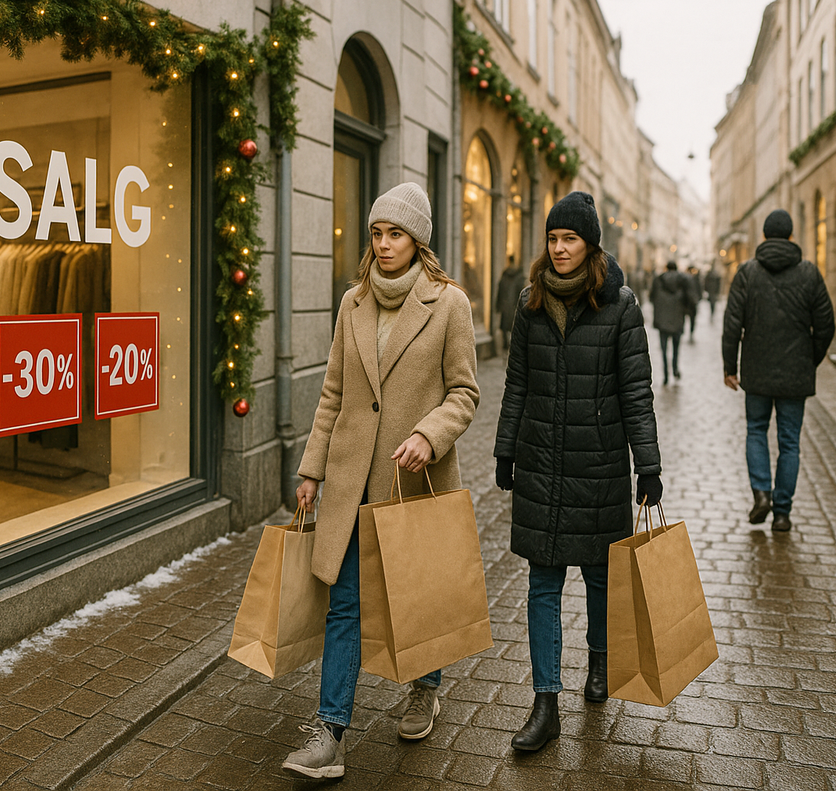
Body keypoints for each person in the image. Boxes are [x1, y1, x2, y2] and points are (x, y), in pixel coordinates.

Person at [284, 182, 480, 778]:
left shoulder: (449, 304)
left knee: (417, 594)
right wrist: (312, 469)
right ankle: (330, 732)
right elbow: (334, 393)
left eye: (396, 233)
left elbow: (464, 392)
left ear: (418, 240)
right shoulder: (353, 302)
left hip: (410, 479)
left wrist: (429, 434)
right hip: (351, 481)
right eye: (377, 233)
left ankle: (425, 687)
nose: (385, 243)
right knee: (344, 602)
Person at [494, 191, 662, 753]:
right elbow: (517, 383)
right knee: (542, 583)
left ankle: (599, 659)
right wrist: (505, 450)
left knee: (597, 575)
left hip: (599, 465)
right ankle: (545, 704)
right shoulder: (531, 302)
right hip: (541, 461)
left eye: (570, 239)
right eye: (553, 238)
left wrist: (649, 467)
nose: (560, 248)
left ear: (591, 245)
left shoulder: (620, 306)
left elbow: (636, 392)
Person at [722, 209, 834, 532]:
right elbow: (826, 325)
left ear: (764, 236)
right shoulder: (809, 273)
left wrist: (730, 367)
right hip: (795, 373)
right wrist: (809, 359)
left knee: (756, 430)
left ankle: (761, 494)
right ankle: (782, 512)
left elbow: (732, 324)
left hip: (756, 371)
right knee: (790, 442)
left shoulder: (747, 272)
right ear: (791, 236)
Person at [649, 260, 692, 384]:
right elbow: (689, 299)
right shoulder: (682, 281)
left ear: (666, 268)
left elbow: (651, 298)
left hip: (662, 320)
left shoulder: (658, 280)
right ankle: (675, 369)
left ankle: (666, 374)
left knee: (663, 350)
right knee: (676, 348)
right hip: (677, 319)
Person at [497, 255, 527, 351]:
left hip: (506, 307)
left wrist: (498, 306)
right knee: (514, 329)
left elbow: (500, 292)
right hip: (514, 307)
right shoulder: (519, 276)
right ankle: (510, 347)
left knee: (506, 329)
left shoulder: (505, 275)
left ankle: (506, 348)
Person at [686, 266, 703, 341]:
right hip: (690, 302)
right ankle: (691, 332)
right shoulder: (695, 279)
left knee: (692, 319)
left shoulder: (694, 279)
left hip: (691, 302)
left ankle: (691, 332)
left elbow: (699, 290)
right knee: (692, 319)